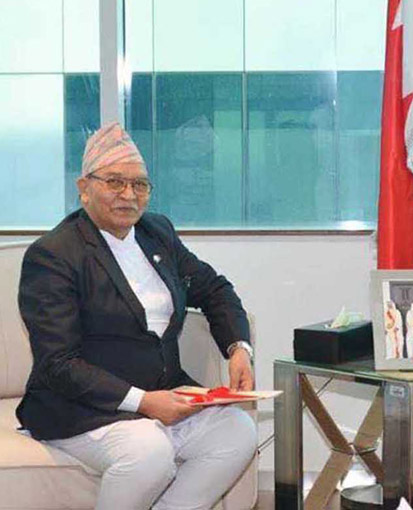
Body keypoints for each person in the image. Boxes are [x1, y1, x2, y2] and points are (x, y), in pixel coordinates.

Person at [16, 122, 258, 510]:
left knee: (237, 431)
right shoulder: (53, 255)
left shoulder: (156, 232)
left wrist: (239, 348)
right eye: (115, 182)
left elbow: (214, 289)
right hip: (84, 409)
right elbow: (57, 363)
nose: (129, 195)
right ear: (84, 187)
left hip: (166, 396)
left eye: (140, 185)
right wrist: (143, 402)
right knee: (150, 452)